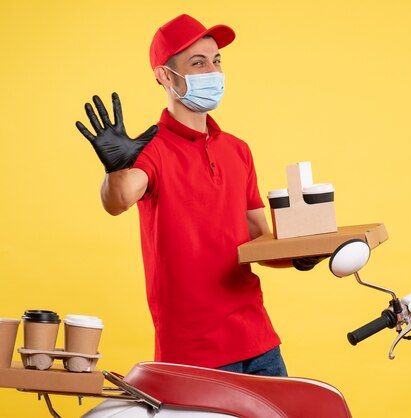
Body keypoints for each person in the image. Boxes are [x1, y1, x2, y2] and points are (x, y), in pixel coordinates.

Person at [76, 14, 322, 376]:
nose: (213, 71)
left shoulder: (238, 149)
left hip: (258, 338)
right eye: (198, 62)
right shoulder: (149, 149)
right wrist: (115, 169)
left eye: (216, 60)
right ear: (164, 76)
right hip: (194, 349)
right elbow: (118, 201)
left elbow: (256, 236)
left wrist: (296, 257)